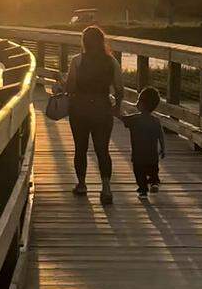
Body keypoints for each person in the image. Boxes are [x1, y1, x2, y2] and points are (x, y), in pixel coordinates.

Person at [64, 26, 122, 204]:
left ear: (84, 42)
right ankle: (106, 189)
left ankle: (81, 184)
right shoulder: (111, 62)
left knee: (80, 148)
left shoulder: (77, 61)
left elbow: (70, 87)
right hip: (102, 108)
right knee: (102, 149)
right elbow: (119, 88)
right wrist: (116, 107)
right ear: (102, 41)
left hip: (80, 109)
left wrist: (63, 87)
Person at [121, 87, 166, 198]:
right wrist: (163, 148)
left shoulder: (134, 119)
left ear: (142, 104)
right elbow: (161, 135)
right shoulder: (156, 120)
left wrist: (117, 108)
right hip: (152, 155)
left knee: (139, 173)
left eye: (138, 101)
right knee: (153, 170)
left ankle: (143, 190)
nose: (136, 103)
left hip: (138, 156)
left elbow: (122, 118)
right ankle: (154, 182)